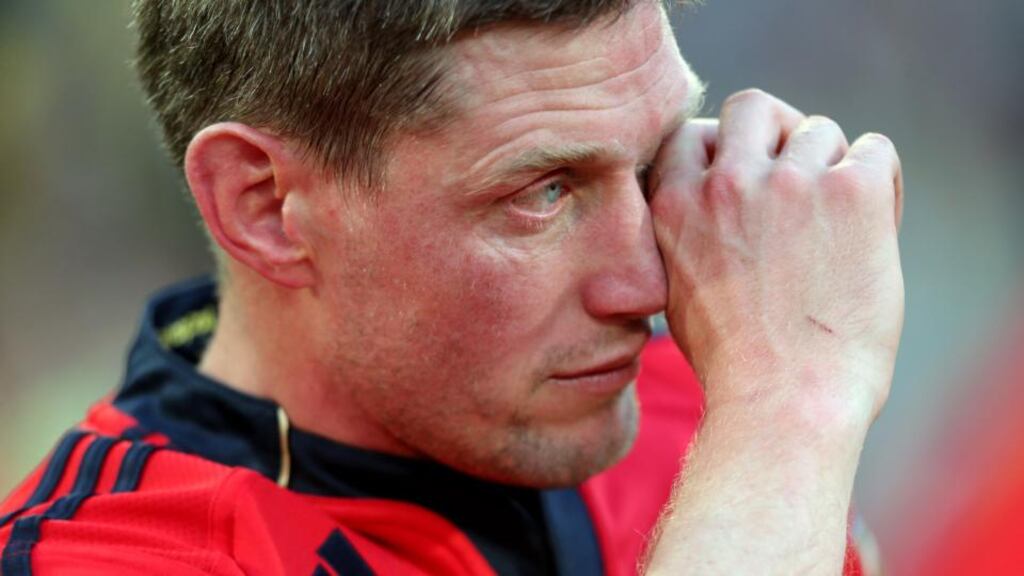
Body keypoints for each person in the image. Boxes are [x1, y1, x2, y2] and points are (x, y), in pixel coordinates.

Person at [0, 0, 903, 574]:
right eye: (544, 192)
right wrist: (791, 404)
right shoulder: (106, 555)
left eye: (654, 157)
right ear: (267, 207)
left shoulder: (694, 402)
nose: (645, 286)